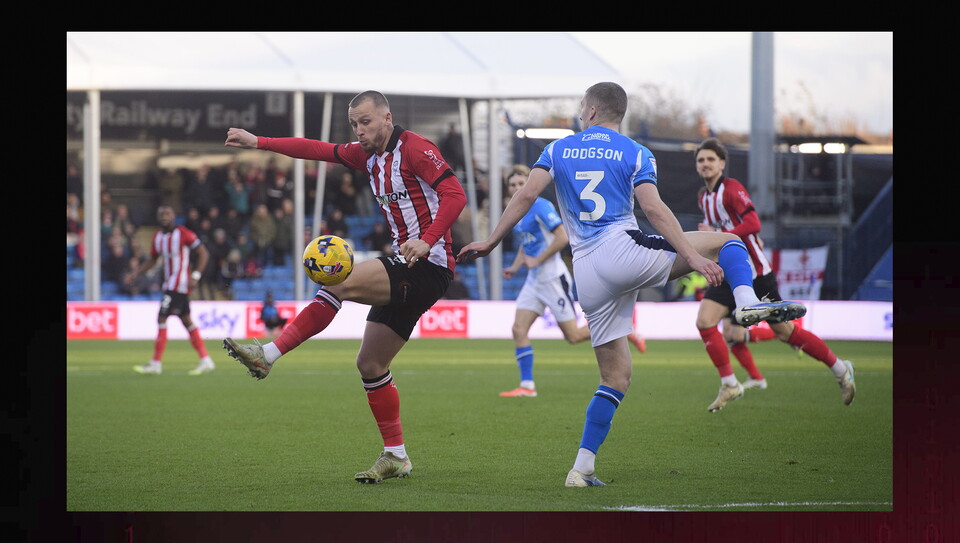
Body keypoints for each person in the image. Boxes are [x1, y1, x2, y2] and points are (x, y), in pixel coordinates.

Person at [457, 82, 809, 488]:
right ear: (618, 113)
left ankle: (582, 468)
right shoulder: (636, 152)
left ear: (589, 111)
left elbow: (524, 198)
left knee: (615, 377)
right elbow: (653, 208)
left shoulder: (558, 149)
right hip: (622, 252)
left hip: (585, 272)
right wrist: (692, 257)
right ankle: (745, 302)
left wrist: (491, 240)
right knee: (727, 241)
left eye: (580, 108)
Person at [221, 90, 467, 484]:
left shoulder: (416, 148)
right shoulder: (366, 156)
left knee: (338, 280)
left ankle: (268, 353)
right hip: (408, 265)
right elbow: (316, 148)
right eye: (354, 123)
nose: (359, 130)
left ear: (388, 118)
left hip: (428, 264)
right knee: (370, 365)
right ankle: (396, 455)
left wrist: (428, 239)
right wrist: (259, 142)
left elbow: (456, 194)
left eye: (366, 121)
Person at [692, 137, 856, 406]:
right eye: (701, 160)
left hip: (754, 273)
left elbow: (753, 222)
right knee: (705, 322)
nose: (706, 164)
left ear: (722, 163)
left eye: (711, 159)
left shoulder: (731, 189)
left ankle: (840, 368)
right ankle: (729, 384)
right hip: (728, 272)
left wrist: (721, 235)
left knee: (785, 333)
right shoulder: (704, 198)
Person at [498, 164, 645, 399]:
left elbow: (562, 237)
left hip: (553, 278)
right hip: (534, 281)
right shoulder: (517, 210)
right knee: (518, 329)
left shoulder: (541, 206)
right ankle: (527, 386)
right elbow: (527, 244)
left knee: (573, 337)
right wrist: (516, 267)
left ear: (529, 182)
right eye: (512, 185)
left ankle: (622, 329)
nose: (517, 188)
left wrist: (537, 260)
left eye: (520, 183)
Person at [128, 205, 216, 376]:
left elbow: (203, 253)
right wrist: (136, 273)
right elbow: (153, 260)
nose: (164, 217)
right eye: (161, 214)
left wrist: (196, 275)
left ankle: (156, 363)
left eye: (168, 214)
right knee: (186, 321)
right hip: (170, 285)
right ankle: (206, 360)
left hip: (179, 285)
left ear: (174, 216)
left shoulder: (183, 234)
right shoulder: (158, 237)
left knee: (161, 317)